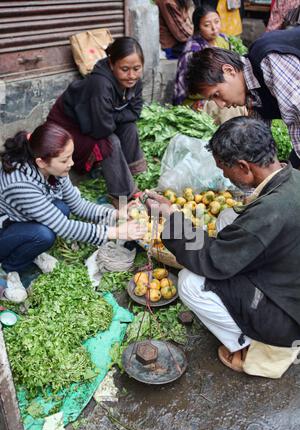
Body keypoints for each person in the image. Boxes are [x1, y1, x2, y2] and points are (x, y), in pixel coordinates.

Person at [145, 117, 300, 377]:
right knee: (229, 216)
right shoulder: (292, 177)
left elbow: (213, 259)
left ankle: (247, 347)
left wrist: (171, 218)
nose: (223, 175)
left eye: (224, 169)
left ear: (243, 166)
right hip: (290, 279)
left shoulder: (269, 213)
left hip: (288, 315)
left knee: (189, 282)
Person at [0, 122, 147, 278]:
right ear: (41, 162)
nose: (71, 163)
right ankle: (9, 267)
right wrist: (116, 232)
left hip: (20, 220)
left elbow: (77, 205)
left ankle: (30, 251)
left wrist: (117, 214)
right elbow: (64, 227)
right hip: (4, 229)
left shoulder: (53, 168)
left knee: (62, 208)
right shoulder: (20, 184)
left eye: (70, 156)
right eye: (64, 160)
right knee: (43, 235)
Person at [47, 37, 147, 202]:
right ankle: (122, 195)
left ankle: (134, 174)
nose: (131, 75)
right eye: (124, 69)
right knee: (110, 141)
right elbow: (102, 129)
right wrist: (110, 116)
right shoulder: (100, 84)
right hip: (69, 127)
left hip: (97, 122)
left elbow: (135, 112)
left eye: (137, 68)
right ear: (111, 64)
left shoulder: (135, 81)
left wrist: (110, 115)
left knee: (130, 127)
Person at [186, 26, 300, 168]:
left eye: (217, 94)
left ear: (229, 71)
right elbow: (259, 145)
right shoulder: (253, 97)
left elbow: (297, 115)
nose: (221, 105)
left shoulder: (267, 59)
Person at [173, 3, 229, 106]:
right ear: (198, 27)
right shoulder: (193, 52)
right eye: (207, 25)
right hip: (198, 99)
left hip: (221, 92)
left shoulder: (223, 40)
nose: (214, 28)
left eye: (217, 22)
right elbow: (191, 87)